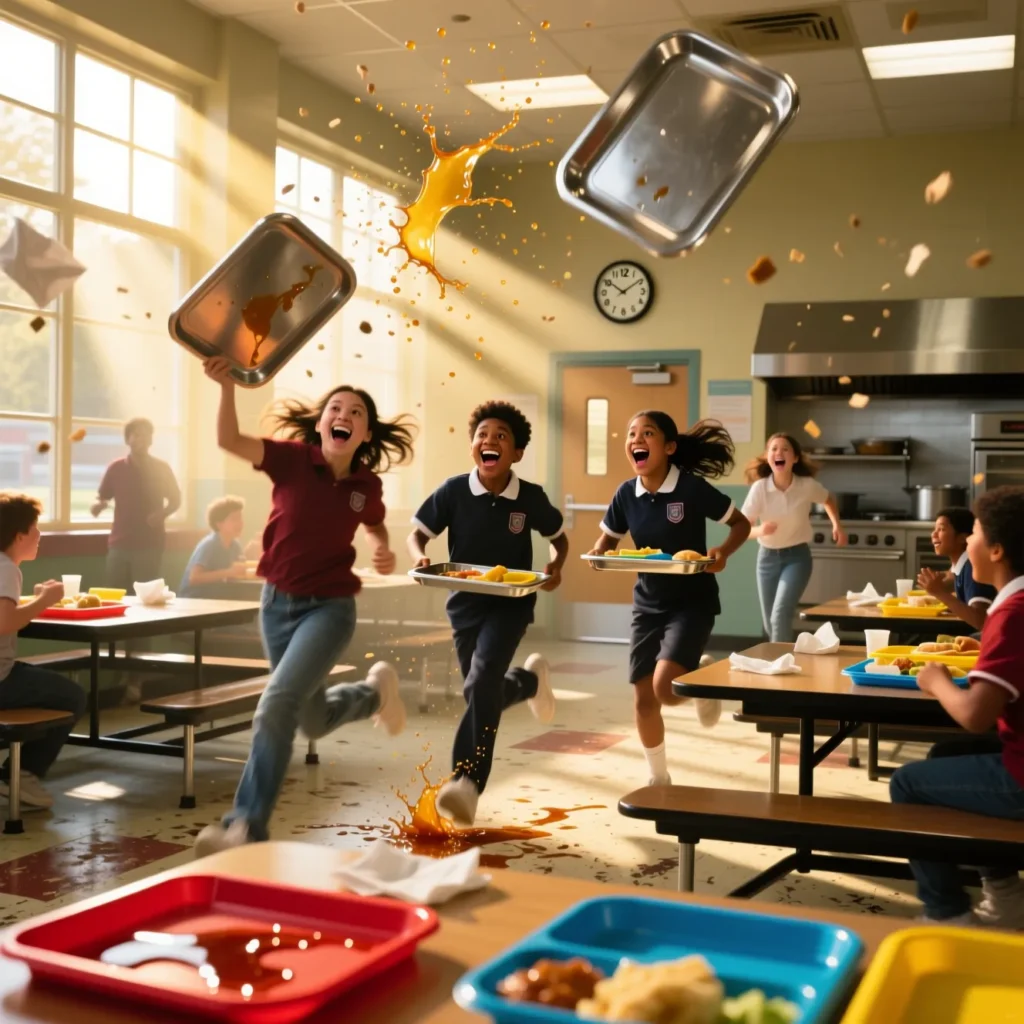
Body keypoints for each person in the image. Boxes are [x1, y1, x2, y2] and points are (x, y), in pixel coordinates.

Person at [194, 357, 414, 856]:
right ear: (321, 424)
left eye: (356, 411)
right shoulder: (291, 460)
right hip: (275, 604)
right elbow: (229, 439)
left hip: (330, 610)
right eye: (335, 407)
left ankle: (245, 825)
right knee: (309, 718)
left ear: (365, 432)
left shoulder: (366, 487)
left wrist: (382, 546)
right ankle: (374, 694)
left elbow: (375, 521)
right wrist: (227, 388)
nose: (344, 414)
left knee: (276, 704)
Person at [408, 401, 568, 826]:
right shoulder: (454, 490)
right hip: (463, 603)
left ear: (516, 453)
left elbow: (559, 538)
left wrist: (555, 566)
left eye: (501, 436)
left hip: (511, 603)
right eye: (482, 434)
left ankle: (466, 783)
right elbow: (417, 534)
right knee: (482, 690)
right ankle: (530, 681)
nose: (489, 441)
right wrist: (419, 557)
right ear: (472, 446)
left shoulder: (529, 497)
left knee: (480, 684)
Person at [588, 414, 751, 786]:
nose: (636, 439)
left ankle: (700, 687)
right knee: (644, 699)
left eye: (647, 433)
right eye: (631, 433)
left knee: (665, 689)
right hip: (647, 603)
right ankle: (658, 776)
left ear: (669, 447)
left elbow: (740, 524)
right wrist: (599, 554)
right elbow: (607, 541)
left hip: (692, 601)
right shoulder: (625, 493)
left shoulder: (692, 489)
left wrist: (722, 553)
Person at [890, 486, 1024, 927]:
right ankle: (1005, 893)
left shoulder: (1012, 614)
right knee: (944, 755)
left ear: (998, 549)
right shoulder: (1014, 607)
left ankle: (946, 914)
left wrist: (937, 681)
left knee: (907, 785)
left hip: (1020, 774)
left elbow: (974, 715)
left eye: (976, 533)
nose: (968, 541)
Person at [0, 493, 87, 809]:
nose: (40, 536)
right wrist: (43, 602)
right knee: (73, 696)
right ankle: (20, 775)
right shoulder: (7, 568)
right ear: (19, 535)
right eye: (35, 528)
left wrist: (29, 601)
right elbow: (5, 620)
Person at [742, 434, 847, 642]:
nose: (779, 453)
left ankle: (779, 666)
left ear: (795, 458)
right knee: (769, 621)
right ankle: (787, 658)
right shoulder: (760, 489)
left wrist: (837, 525)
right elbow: (743, 529)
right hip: (767, 559)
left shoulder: (806, 485)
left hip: (797, 557)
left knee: (779, 614)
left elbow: (828, 500)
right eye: (774, 449)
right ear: (767, 457)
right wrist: (761, 530)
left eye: (785, 449)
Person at [90, 418, 181, 588]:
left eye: (147, 435)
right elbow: (102, 497)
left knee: (145, 596)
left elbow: (176, 500)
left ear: (152, 440)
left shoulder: (162, 468)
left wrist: (162, 513)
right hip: (120, 544)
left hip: (150, 545)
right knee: (114, 593)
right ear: (128, 440)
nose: (142, 439)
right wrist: (98, 506)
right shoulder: (116, 468)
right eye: (137, 435)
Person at [916, 507, 996, 632]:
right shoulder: (962, 564)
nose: (933, 534)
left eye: (941, 529)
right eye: (934, 529)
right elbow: (951, 578)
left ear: (962, 538)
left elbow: (981, 620)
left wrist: (940, 593)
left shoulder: (972, 566)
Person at [179, 496, 248, 597]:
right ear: (219, 524)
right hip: (194, 600)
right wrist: (228, 572)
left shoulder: (235, 546)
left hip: (218, 599)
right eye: (234, 519)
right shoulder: (209, 545)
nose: (240, 523)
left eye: (240, 518)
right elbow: (194, 578)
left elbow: (235, 574)